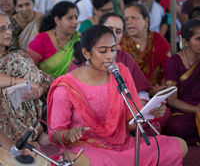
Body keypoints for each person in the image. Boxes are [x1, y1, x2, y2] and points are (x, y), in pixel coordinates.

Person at [47, 24, 187, 165]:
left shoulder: (121, 73)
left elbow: (130, 123)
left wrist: (151, 112)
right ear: (86, 53)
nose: (110, 56)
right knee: (83, 162)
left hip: (123, 146)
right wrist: (68, 135)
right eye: (103, 51)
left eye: (113, 50)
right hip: (88, 149)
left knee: (178, 145)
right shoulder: (66, 87)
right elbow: (55, 134)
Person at [0, 11, 53, 144]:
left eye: (9, 27)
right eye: (2, 28)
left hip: (32, 123)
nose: (8, 32)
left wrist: (40, 89)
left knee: (35, 77)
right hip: (5, 131)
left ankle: (38, 138)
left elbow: (44, 79)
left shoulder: (17, 55)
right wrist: (23, 82)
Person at [165, 19, 200, 146]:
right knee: (177, 127)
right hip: (183, 113)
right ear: (185, 42)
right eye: (198, 39)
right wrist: (196, 110)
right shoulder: (174, 62)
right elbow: (172, 100)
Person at [121, 2, 170, 86]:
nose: (129, 22)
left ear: (146, 20)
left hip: (158, 93)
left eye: (133, 18)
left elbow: (168, 70)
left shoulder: (158, 40)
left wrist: (162, 90)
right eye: (126, 19)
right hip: (130, 94)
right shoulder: (120, 44)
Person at [27, 1, 79, 79]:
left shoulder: (79, 39)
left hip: (73, 88)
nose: (75, 22)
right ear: (57, 20)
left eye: (76, 18)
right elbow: (28, 70)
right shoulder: (41, 40)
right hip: (45, 88)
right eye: (70, 18)